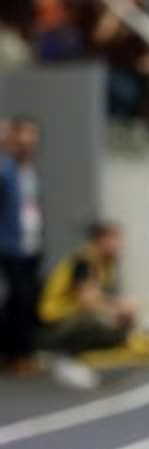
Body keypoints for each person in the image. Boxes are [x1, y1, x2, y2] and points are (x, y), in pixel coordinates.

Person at [37, 221, 137, 390]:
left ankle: (73, 356)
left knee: (119, 324)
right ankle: (62, 356)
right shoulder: (84, 261)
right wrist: (117, 308)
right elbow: (86, 299)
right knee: (97, 318)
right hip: (53, 321)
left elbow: (97, 295)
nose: (119, 244)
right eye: (114, 238)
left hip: (71, 316)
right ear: (101, 239)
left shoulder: (105, 263)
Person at [0, 117, 43, 375]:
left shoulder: (30, 169)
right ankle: (16, 352)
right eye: (23, 136)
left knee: (26, 299)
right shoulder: (6, 169)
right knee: (19, 298)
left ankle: (21, 351)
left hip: (32, 242)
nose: (30, 142)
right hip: (11, 244)